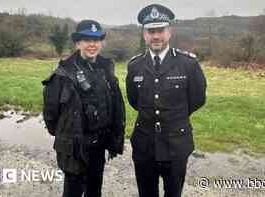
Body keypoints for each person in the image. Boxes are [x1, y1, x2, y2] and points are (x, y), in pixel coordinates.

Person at [126, 4, 207, 197]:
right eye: (150, 31)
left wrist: (175, 117)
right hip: (144, 144)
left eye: (160, 30)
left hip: (176, 143)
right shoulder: (135, 66)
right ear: (144, 33)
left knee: (173, 193)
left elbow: (197, 99)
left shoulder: (188, 64)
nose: (155, 36)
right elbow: (134, 100)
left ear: (169, 31)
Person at [42, 19, 125, 197]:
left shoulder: (106, 69)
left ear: (101, 43)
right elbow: (51, 115)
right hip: (75, 146)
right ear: (78, 43)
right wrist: (68, 135)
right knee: (72, 191)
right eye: (87, 40)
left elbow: (114, 104)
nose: (92, 44)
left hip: (99, 144)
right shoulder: (63, 74)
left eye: (96, 40)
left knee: (94, 190)